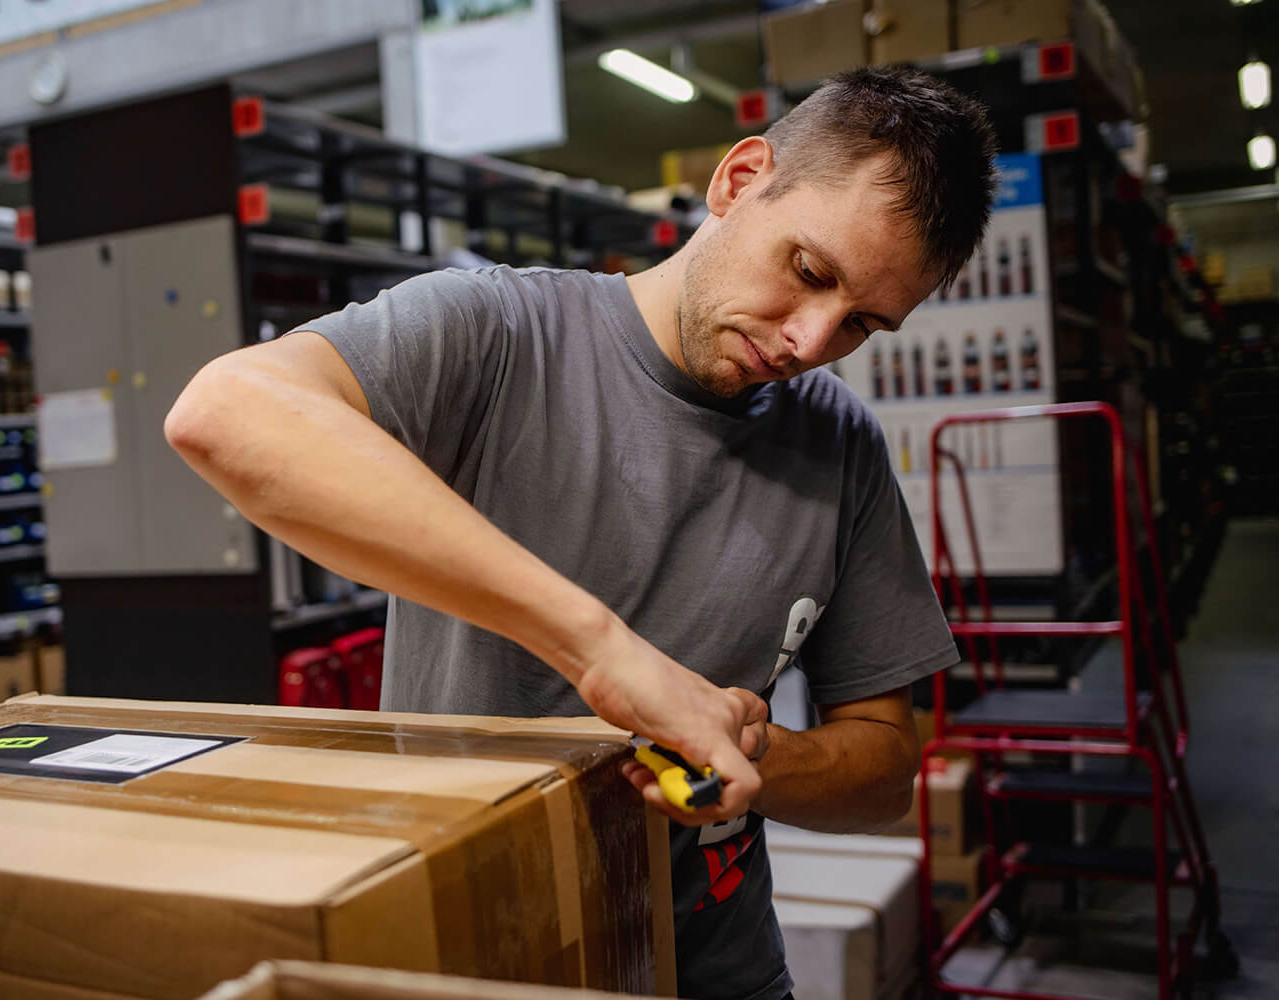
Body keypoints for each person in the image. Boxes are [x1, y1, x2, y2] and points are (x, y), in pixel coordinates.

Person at [167, 66, 998, 1000]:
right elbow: (227, 410)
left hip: (722, 970)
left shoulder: (839, 443)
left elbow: (886, 766)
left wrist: (757, 753)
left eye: (860, 325)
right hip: (484, 962)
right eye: (808, 272)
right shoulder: (499, 332)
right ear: (739, 180)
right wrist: (608, 654)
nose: (809, 341)